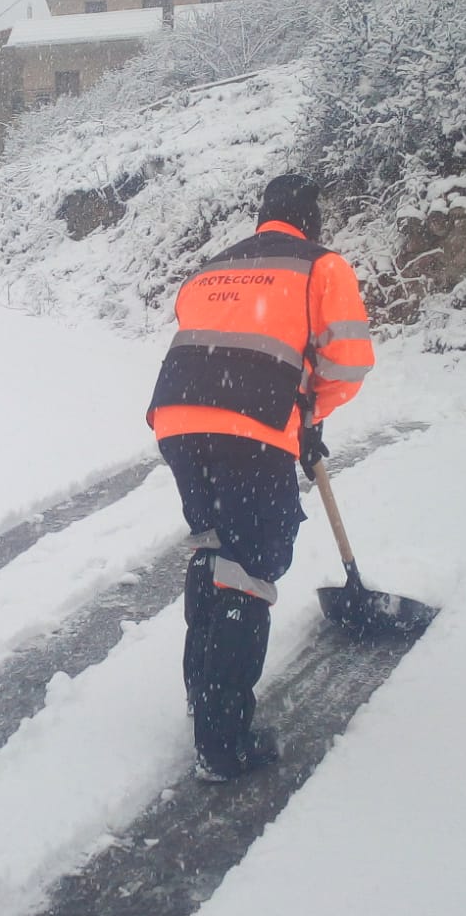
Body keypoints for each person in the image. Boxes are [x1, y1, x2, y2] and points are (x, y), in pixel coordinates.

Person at [146, 174, 375, 782]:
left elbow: (223, 340)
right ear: (311, 219)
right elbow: (347, 362)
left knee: (214, 548)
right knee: (248, 572)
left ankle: (202, 697)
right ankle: (223, 744)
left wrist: (293, 412)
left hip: (177, 421)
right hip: (250, 428)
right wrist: (309, 412)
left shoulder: (213, 268)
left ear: (263, 216)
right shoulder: (321, 266)